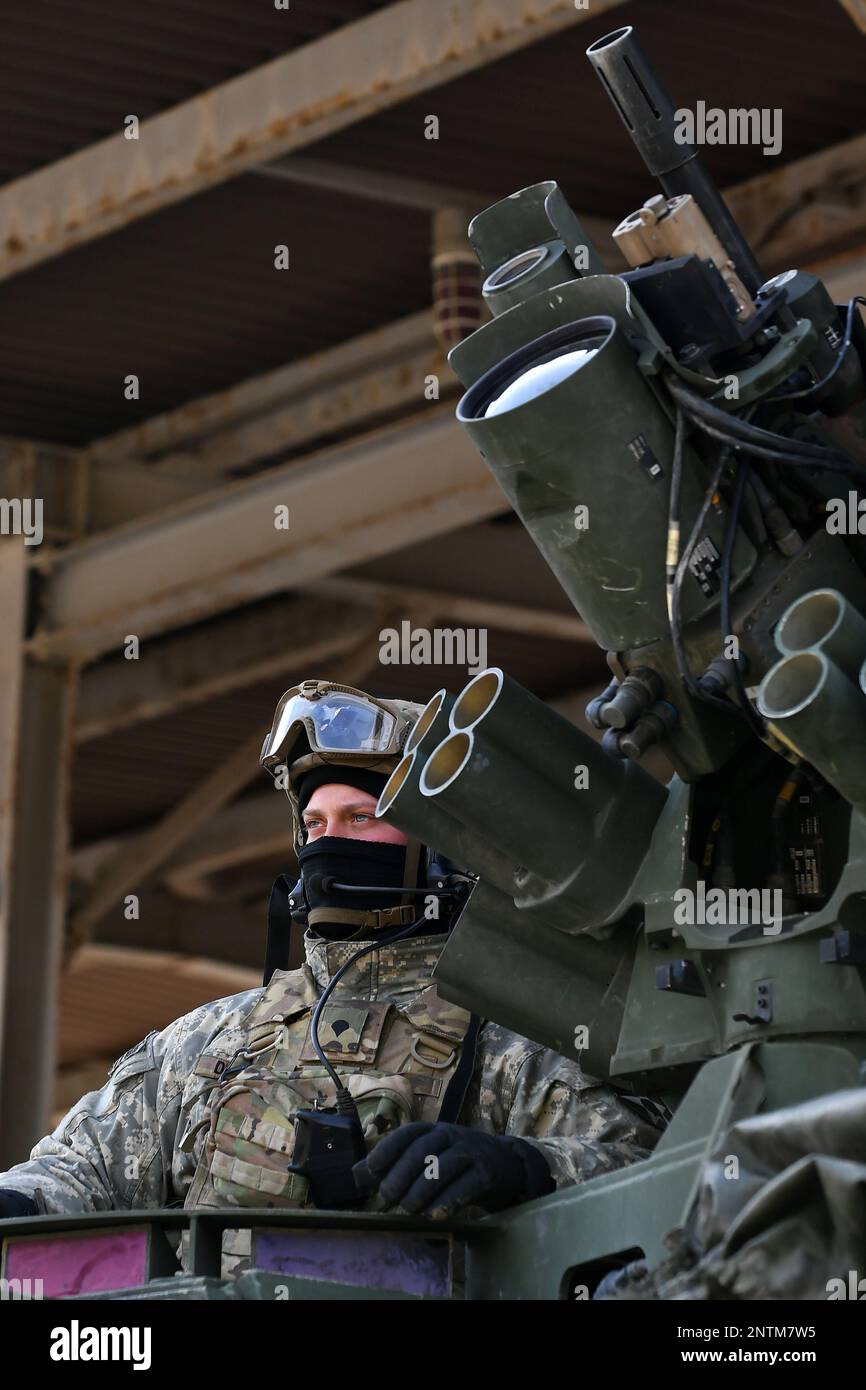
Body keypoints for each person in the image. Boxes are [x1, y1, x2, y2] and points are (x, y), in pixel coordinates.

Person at [0, 679, 669, 1258]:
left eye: (361, 817)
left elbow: (654, 1175)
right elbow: (76, 1174)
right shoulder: (213, 1042)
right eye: (314, 823)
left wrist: (521, 1168)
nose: (329, 844)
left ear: (437, 842)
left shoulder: (516, 1032)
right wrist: (20, 1206)